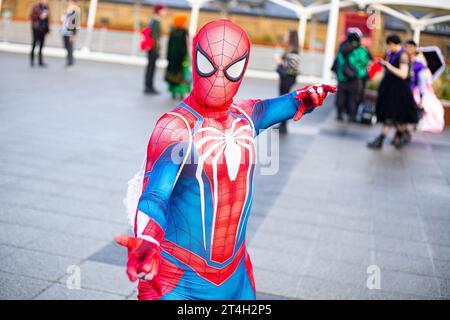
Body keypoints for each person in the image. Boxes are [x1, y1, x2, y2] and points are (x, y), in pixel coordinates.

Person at [116, 19, 335, 300]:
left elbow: (278, 106)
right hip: (177, 277)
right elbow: (155, 194)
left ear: (242, 68)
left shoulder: (244, 115)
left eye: (230, 69)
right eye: (209, 65)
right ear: (196, 59)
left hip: (237, 273)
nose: (218, 79)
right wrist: (147, 239)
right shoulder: (176, 127)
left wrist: (305, 98)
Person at [368, 35, 419, 149]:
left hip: (399, 91)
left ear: (394, 44)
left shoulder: (403, 55)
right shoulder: (391, 54)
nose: (389, 47)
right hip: (390, 89)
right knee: (394, 117)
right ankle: (402, 135)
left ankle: (382, 139)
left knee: (391, 116)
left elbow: (403, 74)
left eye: (390, 45)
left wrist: (388, 65)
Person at [332, 28, 371, 122]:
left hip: (343, 77)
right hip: (355, 78)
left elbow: (339, 62)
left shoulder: (343, 47)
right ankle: (352, 115)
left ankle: (339, 113)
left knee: (341, 95)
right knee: (353, 97)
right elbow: (365, 62)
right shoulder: (361, 50)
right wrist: (361, 73)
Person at [405, 40, 444, 133]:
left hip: (416, 89)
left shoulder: (420, 66)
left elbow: (422, 82)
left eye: (410, 47)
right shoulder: (406, 61)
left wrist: (422, 94)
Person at [275, 30, 301, 133]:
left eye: (287, 35)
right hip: (285, 77)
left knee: (285, 101)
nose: (285, 36)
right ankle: (282, 123)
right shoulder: (290, 49)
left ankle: (284, 125)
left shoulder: (294, 51)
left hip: (288, 78)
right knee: (283, 100)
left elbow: (293, 65)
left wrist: (280, 61)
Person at [165, 14, 191, 100]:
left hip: (172, 58)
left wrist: (168, 56)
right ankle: (181, 93)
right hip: (182, 58)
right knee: (182, 75)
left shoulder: (172, 31)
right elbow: (187, 45)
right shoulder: (184, 32)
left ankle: (173, 92)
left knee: (172, 74)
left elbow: (169, 45)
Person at [144, 4, 167, 94]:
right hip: (153, 49)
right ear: (159, 11)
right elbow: (155, 37)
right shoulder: (155, 21)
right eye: (164, 10)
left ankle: (149, 86)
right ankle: (149, 87)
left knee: (151, 68)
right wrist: (157, 50)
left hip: (153, 48)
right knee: (151, 68)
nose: (165, 12)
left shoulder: (154, 20)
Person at [29, 0, 50, 67]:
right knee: (34, 44)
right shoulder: (35, 6)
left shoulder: (46, 7)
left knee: (41, 45)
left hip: (43, 29)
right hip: (36, 28)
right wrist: (39, 16)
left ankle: (40, 61)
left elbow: (47, 20)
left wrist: (47, 30)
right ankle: (32, 61)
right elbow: (31, 16)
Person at [61, 0, 80, 68]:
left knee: (70, 47)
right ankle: (70, 60)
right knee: (66, 47)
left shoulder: (75, 11)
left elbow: (76, 24)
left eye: (71, 2)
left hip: (70, 32)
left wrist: (73, 34)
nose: (69, 3)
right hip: (64, 31)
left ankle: (70, 62)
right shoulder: (67, 10)